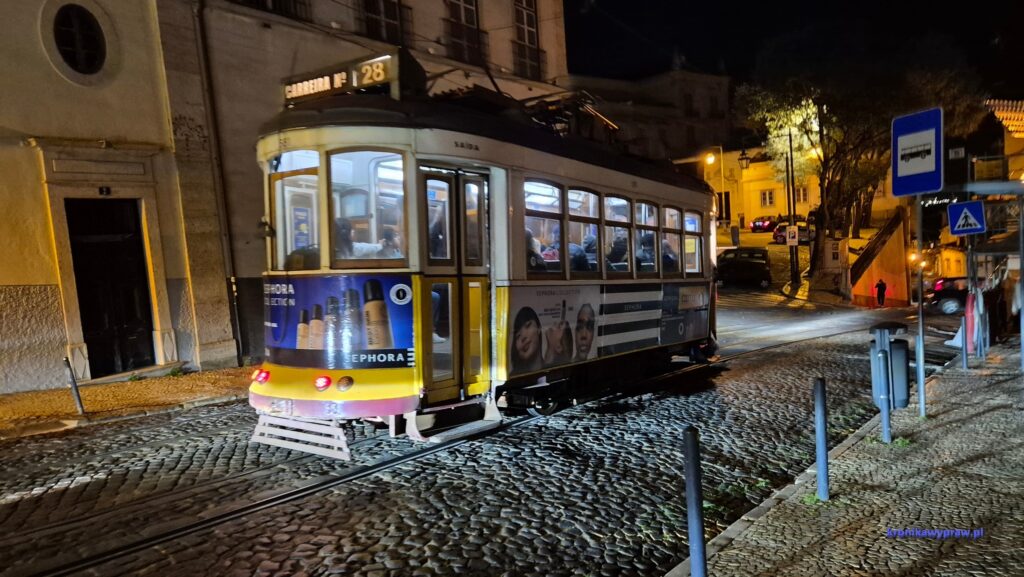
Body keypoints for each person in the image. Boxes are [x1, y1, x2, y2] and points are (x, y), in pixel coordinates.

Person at [510, 307, 543, 374]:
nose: (523, 337)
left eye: (528, 326)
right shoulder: (512, 377)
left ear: (539, 328)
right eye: (518, 335)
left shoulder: (554, 368)